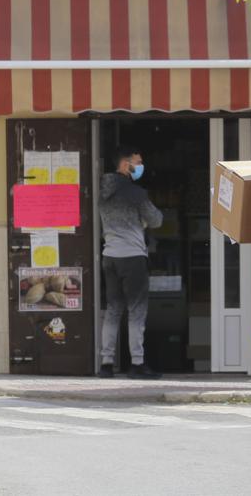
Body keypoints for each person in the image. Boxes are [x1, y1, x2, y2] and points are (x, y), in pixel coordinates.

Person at [98, 145, 164, 380]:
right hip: (133, 257)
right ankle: (137, 363)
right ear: (126, 165)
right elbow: (156, 220)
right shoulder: (135, 193)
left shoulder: (101, 190)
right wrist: (142, 223)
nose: (140, 166)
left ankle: (106, 363)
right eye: (138, 161)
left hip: (110, 257)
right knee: (137, 312)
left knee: (113, 310)